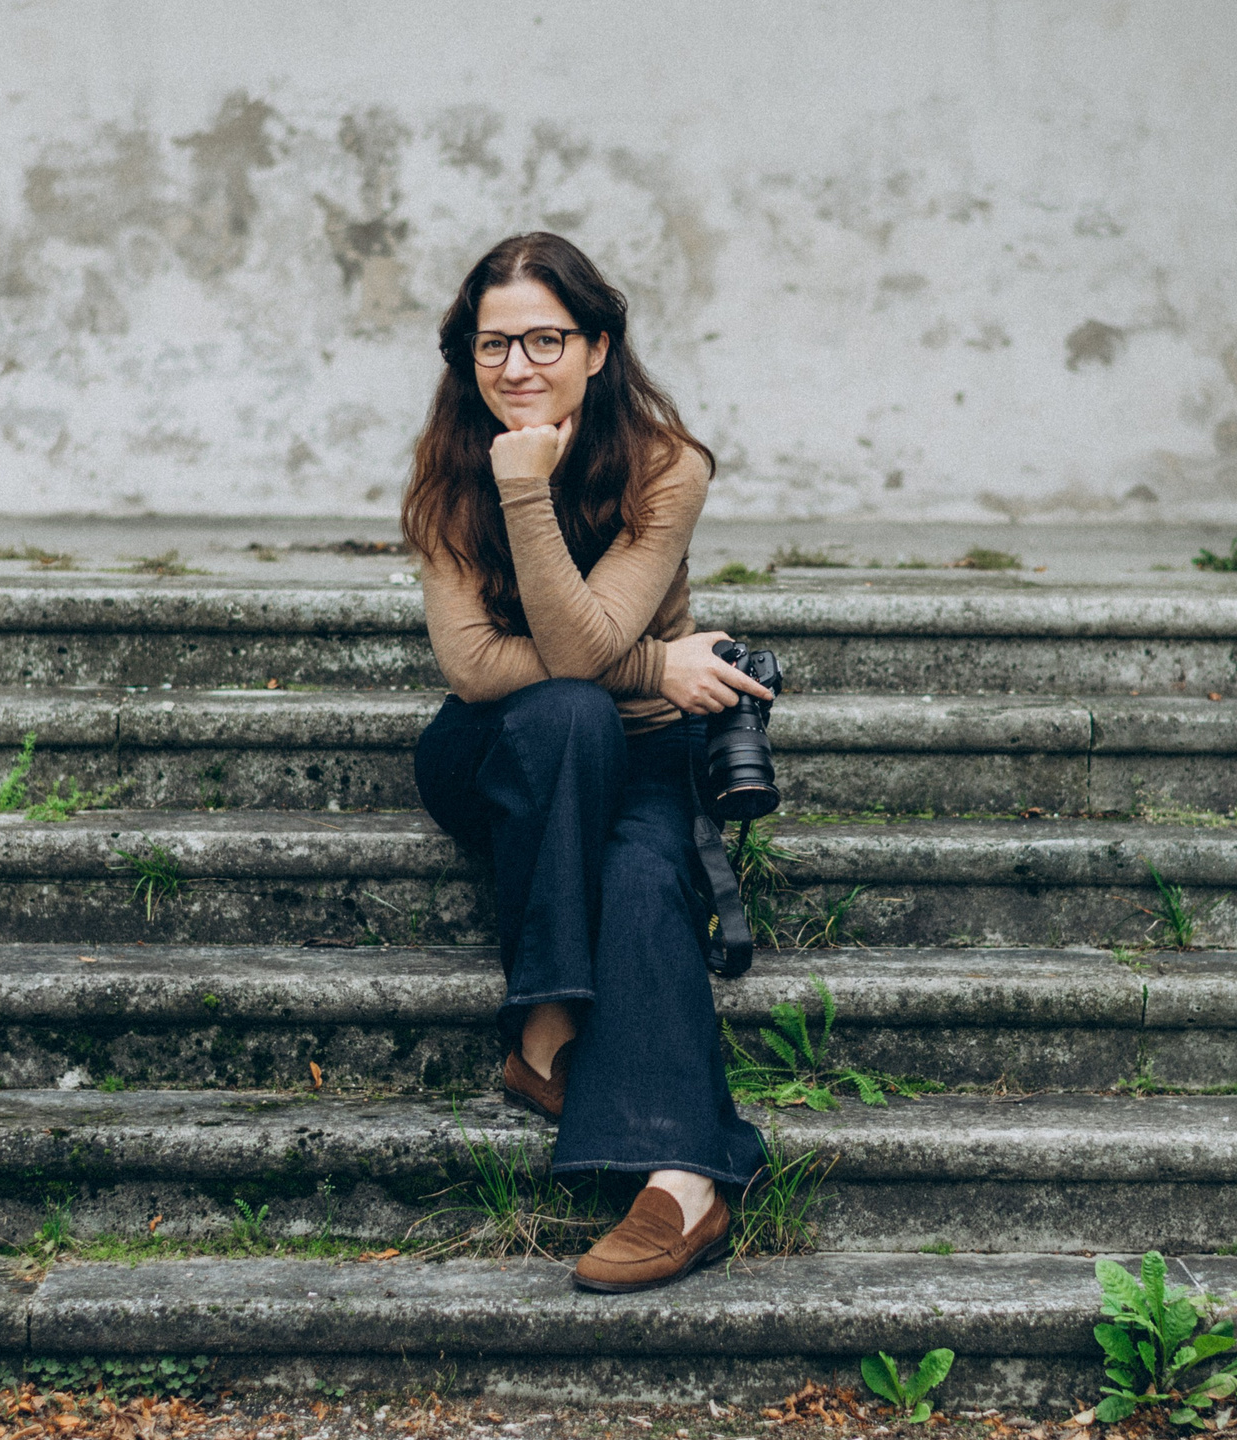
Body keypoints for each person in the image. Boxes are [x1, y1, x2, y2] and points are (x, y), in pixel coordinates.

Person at [400, 232, 772, 1293]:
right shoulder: (445, 476)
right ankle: (553, 1012)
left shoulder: (666, 466)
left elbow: (580, 650)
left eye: (544, 340)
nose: (515, 368)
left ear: (598, 346)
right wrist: (659, 660)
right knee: (565, 714)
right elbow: (477, 669)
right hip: (496, 756)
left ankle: (682, 1183)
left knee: (644, 874)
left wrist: (535, 500)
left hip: (646, 759)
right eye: (490, 346)